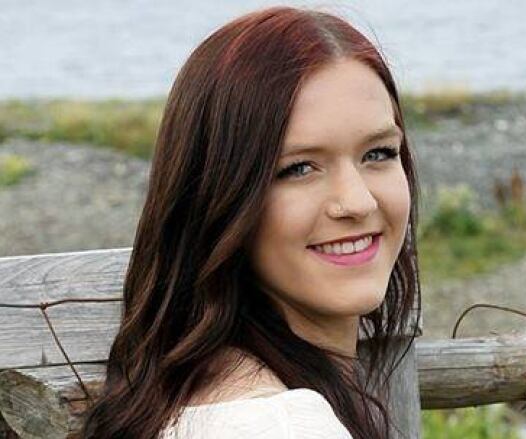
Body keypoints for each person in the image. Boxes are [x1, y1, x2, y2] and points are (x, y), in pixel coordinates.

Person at [81, 6, 421, 439]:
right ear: (219, 197)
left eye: (379, 154)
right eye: (298, 168)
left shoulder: (199, 389)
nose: (357, 201)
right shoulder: (278, 424)